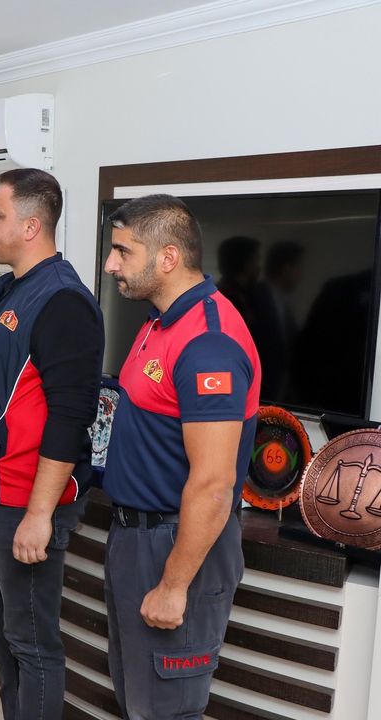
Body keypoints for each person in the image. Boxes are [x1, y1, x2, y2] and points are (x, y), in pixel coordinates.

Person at [0, 169, 104, 720]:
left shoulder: (63, 302)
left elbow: (69, 418)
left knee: (32, 641)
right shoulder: (13, 288)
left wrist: (40, 514)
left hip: (27, 501)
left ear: (32, 226)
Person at [101, 194, 261, 719]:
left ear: (168, 257)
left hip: (176, 544)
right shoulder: (160, 321)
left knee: (165, 710)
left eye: (123, 251)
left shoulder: (209, 344)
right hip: (135, 538)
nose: (111, 264)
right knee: (137, 700)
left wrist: (174, 585)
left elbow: (214, 485)